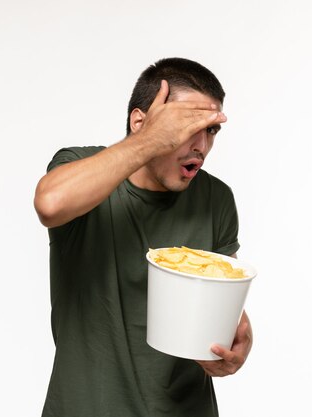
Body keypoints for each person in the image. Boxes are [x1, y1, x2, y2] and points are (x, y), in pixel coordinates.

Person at [34, 57, 253, 417]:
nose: (201, 144)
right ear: (141, 121)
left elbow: (228, 312)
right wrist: (148, 140)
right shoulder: (82, 168)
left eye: (211, 130)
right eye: (186, 124)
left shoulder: (216, 200)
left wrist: (239, 346)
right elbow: (50, 204)